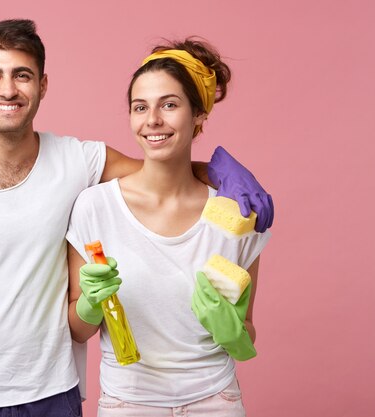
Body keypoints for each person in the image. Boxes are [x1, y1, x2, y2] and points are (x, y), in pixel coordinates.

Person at [0, 20, 273, 416]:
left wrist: (222, 169)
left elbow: (158, 170)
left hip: (54, 394)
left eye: (22, 74)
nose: (7, 89)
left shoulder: (78, 159)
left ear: (42, 85)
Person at [66, 38, 272, 416]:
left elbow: (248, 334)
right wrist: (92, 304)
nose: (153, 120)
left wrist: (233, 332)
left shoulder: (238, 216)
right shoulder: (95, 207)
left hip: (217, 401)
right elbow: (78, 331)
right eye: (140, 107)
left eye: (170, 105)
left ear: (198, 115)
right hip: (127, 402)